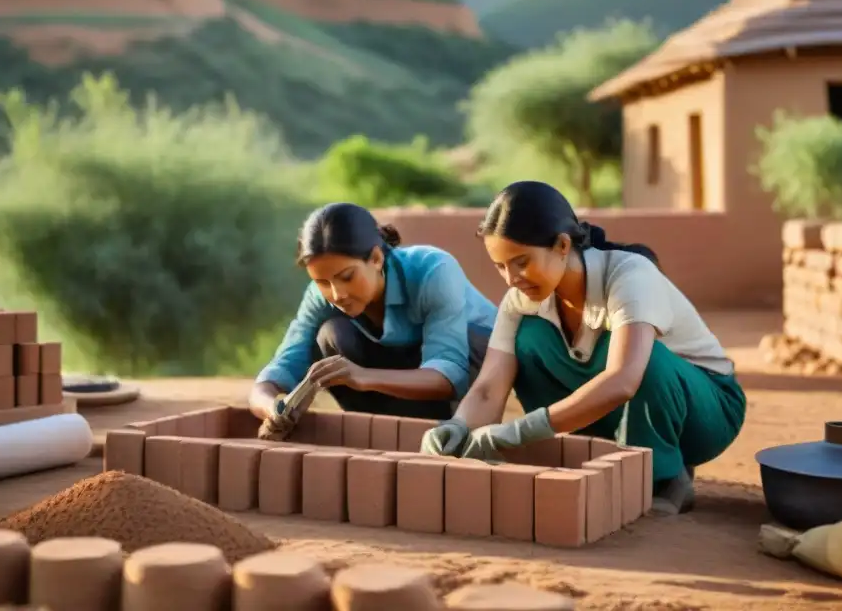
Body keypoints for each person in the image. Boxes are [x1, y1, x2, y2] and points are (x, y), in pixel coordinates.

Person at [420, 181, 747, 514]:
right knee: (529, 340)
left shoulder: (628, 275)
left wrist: (517, 432)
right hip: (622, 405)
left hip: (706, 410)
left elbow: (623, 380)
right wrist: (458, 427)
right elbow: (490, 386)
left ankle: (666, 477)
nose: (511, 279)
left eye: (521, 262)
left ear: (562, 245)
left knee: (639, 357)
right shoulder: (519, 301)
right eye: (500, 267)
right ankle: (594, 454)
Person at [250, 202, 497, 432]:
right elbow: (279, 369)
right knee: (332, 334)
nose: (337, 294)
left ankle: (452, 431)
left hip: (470, 368)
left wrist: (362, 376)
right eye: (322, 282)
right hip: (405, 373)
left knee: (469, 340)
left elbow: (450, 373)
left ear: (377, 258)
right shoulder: (321, 296)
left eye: (347, 277)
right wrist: (272, 409)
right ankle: (382, 431)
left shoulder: (432, 270)